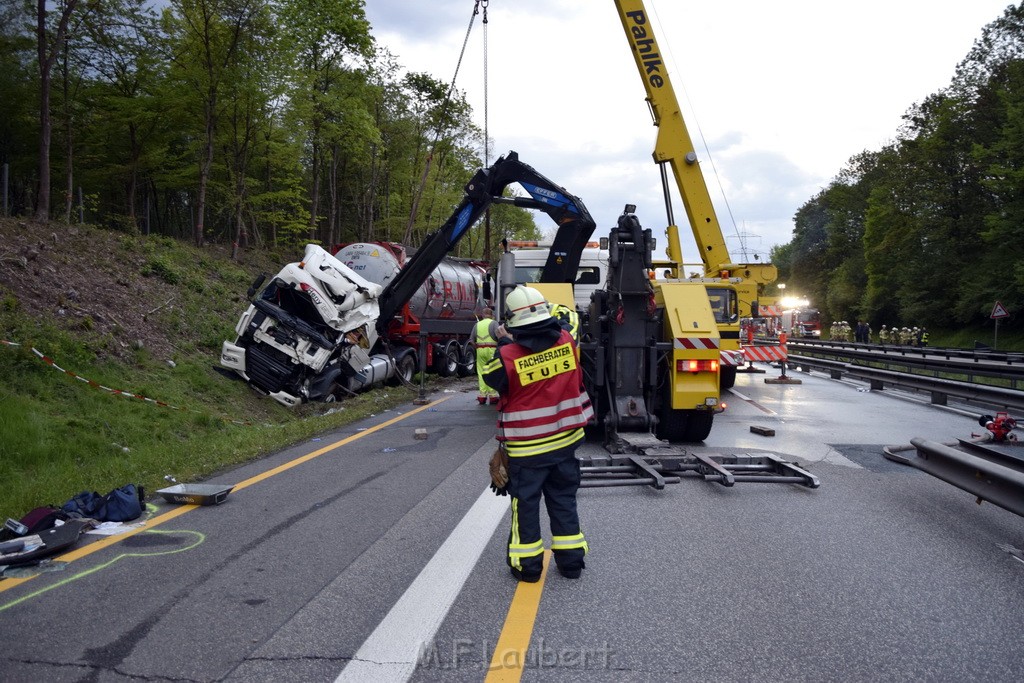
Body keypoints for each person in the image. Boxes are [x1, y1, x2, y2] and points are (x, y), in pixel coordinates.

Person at [482, 286, 594, 583]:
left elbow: (494, 380)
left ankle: (528, 566)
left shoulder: (505, 356)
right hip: (566, 444)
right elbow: (567, 320)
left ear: (513, 324)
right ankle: (571, 563)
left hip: (528, 451)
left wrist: (503, 339)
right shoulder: (567, 342)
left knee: (526, 506)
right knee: (563, 500)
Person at [473, 308, 500, 404]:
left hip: (480, 350)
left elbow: (472, 340)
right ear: (491, 315)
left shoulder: (477, 325)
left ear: (483, 315)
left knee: (481, 372)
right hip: (492, 350)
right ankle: (493, 396)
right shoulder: (494, 323)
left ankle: (482, 396)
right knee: (493, 371)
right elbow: (499, 336)